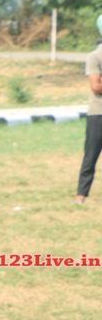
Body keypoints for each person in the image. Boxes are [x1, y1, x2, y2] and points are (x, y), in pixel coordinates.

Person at [74, 14, 102, 204]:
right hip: (98, 113)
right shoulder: (95, 57)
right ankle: (81, 196)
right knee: (91, 155)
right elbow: (96, 86)